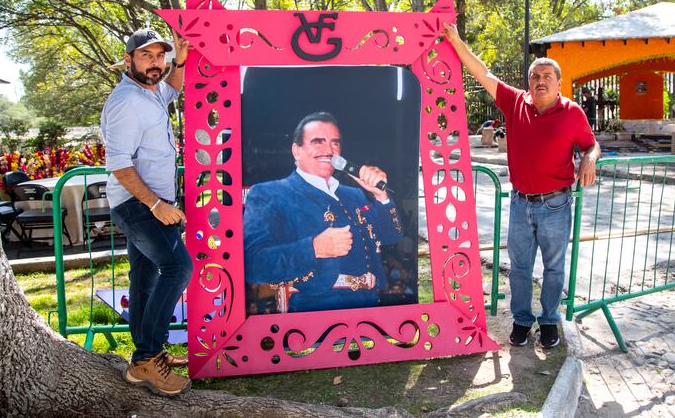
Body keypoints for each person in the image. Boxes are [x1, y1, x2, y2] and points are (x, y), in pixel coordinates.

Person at [441, 23, 599, 349]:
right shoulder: (515, 103)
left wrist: (590, 158)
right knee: (520, 269)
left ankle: (550, 321)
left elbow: (591, 144)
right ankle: (522, 321)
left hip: (556, 204)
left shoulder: (572, 113)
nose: (540, 82)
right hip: (520, 203)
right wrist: (455, 40)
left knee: (554, 269)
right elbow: (483, 72)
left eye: (547, 77)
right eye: (535, 77)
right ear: (529, 83)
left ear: (558, 84)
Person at [101, 28, 193, 396]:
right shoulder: (126, 101)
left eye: (160, 56)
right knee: (177, 267)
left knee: (143, 276)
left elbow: (173, 87)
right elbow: (119, 165)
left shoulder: (152, 92)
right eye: (146, 56)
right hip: (139, 204)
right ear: (128, 60)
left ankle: (144, 356)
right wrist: (157, 206)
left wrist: (181, 62)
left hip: (146, 203)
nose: (156, 63)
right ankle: (147, 356)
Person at [243, 112, 405, 314]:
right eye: (317, 142)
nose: (328, 150)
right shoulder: (270, 194)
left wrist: (381, 197)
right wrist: (313, 248)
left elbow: (392, 235)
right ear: (296, 150)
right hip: (311, 316)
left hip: (368, 311)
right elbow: (252, 263)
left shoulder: (355, 194)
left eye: (335, 143)